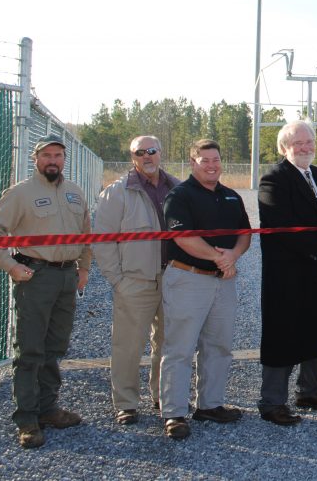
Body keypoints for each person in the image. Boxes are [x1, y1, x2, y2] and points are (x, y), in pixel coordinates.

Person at [0, 135, 92, 449]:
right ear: (36, 159)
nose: (53, 160)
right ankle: (27, 419)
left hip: (66, 277)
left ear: (64, 159)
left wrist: (83, 269)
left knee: (54, 347)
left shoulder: (74, 193)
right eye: (47, 155)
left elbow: (86, 235)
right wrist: (12, 267)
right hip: (35, 276)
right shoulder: (21, 194)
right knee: (29, 350)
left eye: (58, 155)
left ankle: (49, 409)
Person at [257, 120, 317, 426]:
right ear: (284, 147)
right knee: (283, 335)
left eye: (310, 142)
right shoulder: (274, 180)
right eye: (299, 143)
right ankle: (272, 402)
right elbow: (282, 228)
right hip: (289, 275)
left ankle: (309, 391)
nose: (306, 147)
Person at [159, 139, 251, 440]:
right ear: (192, 163)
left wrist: (232, 257)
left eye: (216, 159)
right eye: (204, 160)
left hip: (223, 280)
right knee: (180, 349)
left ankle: (209, 405)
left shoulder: (231, 197)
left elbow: (245, 233)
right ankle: (174, 413)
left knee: (219, 346)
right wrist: (219, 257)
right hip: (189, 279)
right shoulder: (180, 195)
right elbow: (183, 237)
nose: (212, 165)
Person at [94, 135, 180, 425]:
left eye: (152, 151)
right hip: (135, 282)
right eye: (139, 152)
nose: (147, 156)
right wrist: (118, 280)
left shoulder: (178, 188)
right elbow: (103, 242)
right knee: (128, 346)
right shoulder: (117, 193)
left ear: (160, 153)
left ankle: (163, 397)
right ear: (132, 158)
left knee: (169, 345)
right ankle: (126, 403)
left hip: (173, 280)